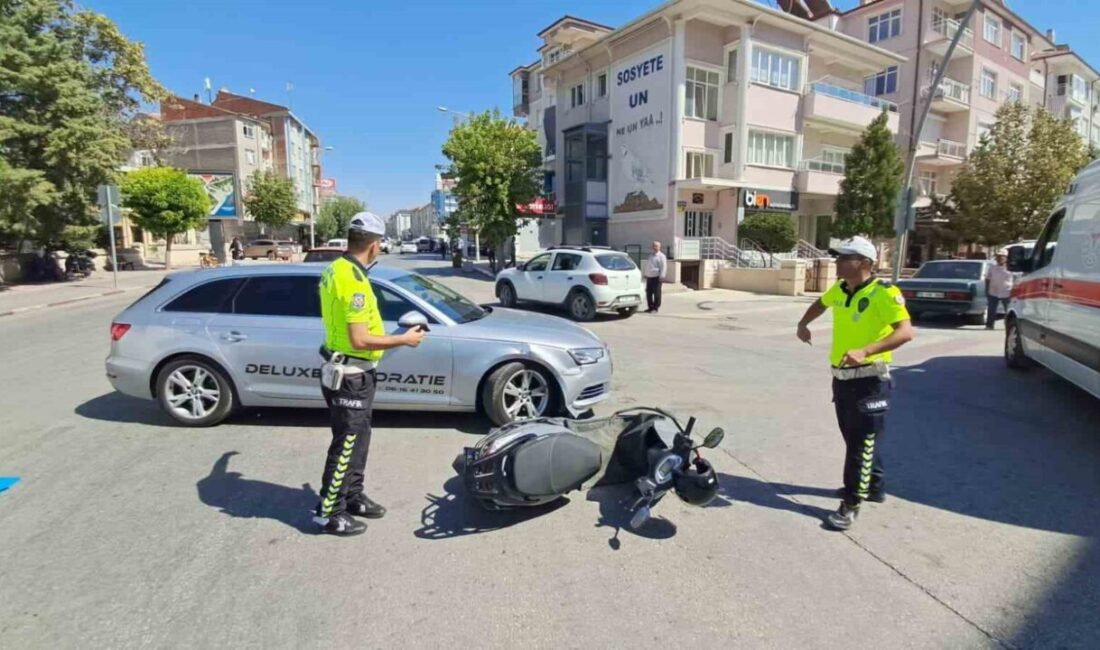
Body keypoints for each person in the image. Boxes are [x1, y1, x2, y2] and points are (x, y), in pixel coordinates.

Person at [314, 211, 426, 537]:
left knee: (359, 439)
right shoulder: (352, 280)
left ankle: (352, 496)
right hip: (350, 373)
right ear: (375, 245)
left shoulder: (339, 268)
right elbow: (359, 339)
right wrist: (405, 339)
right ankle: (329, 512)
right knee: (347, 443)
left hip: (356, 371)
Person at [795, 236, 915, 531]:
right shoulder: (841, 288)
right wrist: (803, 323)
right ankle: (874, 486)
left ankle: (851, 503)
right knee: (856, 440)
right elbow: (821, 303)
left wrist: (866, 350)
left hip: (870, 380)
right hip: (842, 380)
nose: (836, 262)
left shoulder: (884, 294)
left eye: (843, 258)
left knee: (860, 445)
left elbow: (905, 332)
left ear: (864, 263)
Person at [985, 250, 1013, 330]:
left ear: (1006, 258)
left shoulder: (1010, 267)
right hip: (993, 291)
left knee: (1008, 311)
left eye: (1002, 256)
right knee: (991, 310)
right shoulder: (992, 267)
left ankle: (1009, 326)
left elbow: (1016, 278)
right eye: (998, 256)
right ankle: (989, 325)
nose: (1000, 258)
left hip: (1007, 292)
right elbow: (987, 279)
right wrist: (987, 290)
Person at [644, 241, 667, 314]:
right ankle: (650, 307)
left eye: (656, 246)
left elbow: (663, 267)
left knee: (657, 293)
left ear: (659, 247)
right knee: (649, 293)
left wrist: (662, 276)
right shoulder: (651, 255)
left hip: (657, 277)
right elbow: (648, 265)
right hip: (649, 277)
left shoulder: (661, 256)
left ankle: (655, 308)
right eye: (654, 246)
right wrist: (646, 274)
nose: (654, 247)